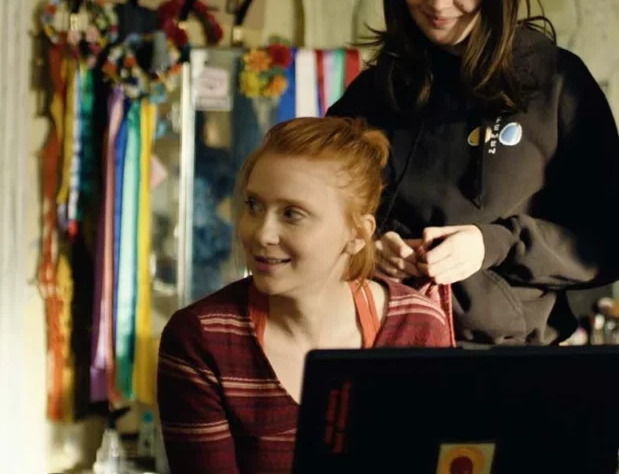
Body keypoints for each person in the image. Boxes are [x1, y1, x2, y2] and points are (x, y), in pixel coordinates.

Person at [327, 0, 619, 346]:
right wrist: (367, 248)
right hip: (382, 348)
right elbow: (315, 222)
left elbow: (617, 245)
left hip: (512, 361)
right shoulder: (371, 93)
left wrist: (493, 244)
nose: (438, 1)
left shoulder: (556, 82)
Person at [156, 117, 454, 474]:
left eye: (292, 214)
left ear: (357, 234)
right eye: (253, 205)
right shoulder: (201, 339)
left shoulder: (419, 325)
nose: (262, 234)